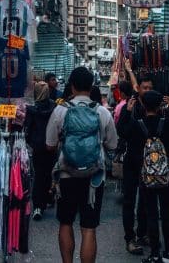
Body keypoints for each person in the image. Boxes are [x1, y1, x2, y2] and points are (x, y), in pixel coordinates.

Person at [46, 66, 117, 263]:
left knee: (66, 223)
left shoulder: (60, 110)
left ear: (72, 86)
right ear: (92, 85)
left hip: (66, 174)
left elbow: (49, 145)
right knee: (88, 228)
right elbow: (112, 145)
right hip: (94, 178)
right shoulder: (102, 112)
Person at [120, 90, 169, 263]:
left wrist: (127, 111)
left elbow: (121, 132)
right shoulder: (167, 123)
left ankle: (155, 254)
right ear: (160, 105)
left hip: (146, 177)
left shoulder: (136, 125)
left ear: (143, 105)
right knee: (167, 214)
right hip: (166, 176)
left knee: (152, 214)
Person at [117, 74, 155, 255]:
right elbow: (122, 132)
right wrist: (126, 113)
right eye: (144, 88)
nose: (147, 91)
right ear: (138, 88)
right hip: (132, 159)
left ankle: (142, 232)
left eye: (150, 88)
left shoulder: (155, 106)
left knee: (146, 199)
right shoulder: (130, 107)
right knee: (129, 200)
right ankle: (129, 238)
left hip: (148, 161)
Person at [24, 81, 57, 220]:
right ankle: (48, 196)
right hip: (51, 146)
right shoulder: (54, 107)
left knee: (38, 175)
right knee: (48, 173)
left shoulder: (32, 110)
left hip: (37, 146)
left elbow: (28, 130)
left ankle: (38, 205)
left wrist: (30, 142)